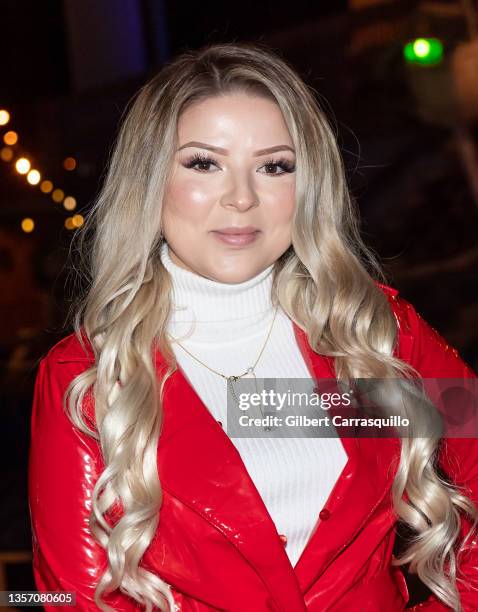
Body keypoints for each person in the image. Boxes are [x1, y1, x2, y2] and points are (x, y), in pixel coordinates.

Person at [28, 42, 478, 611]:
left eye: (274, 166)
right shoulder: (88, 380)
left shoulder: (372, 333)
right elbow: (74, 598)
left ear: (306, 183)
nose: (241, 198)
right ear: (150, 180)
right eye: (203, 163)